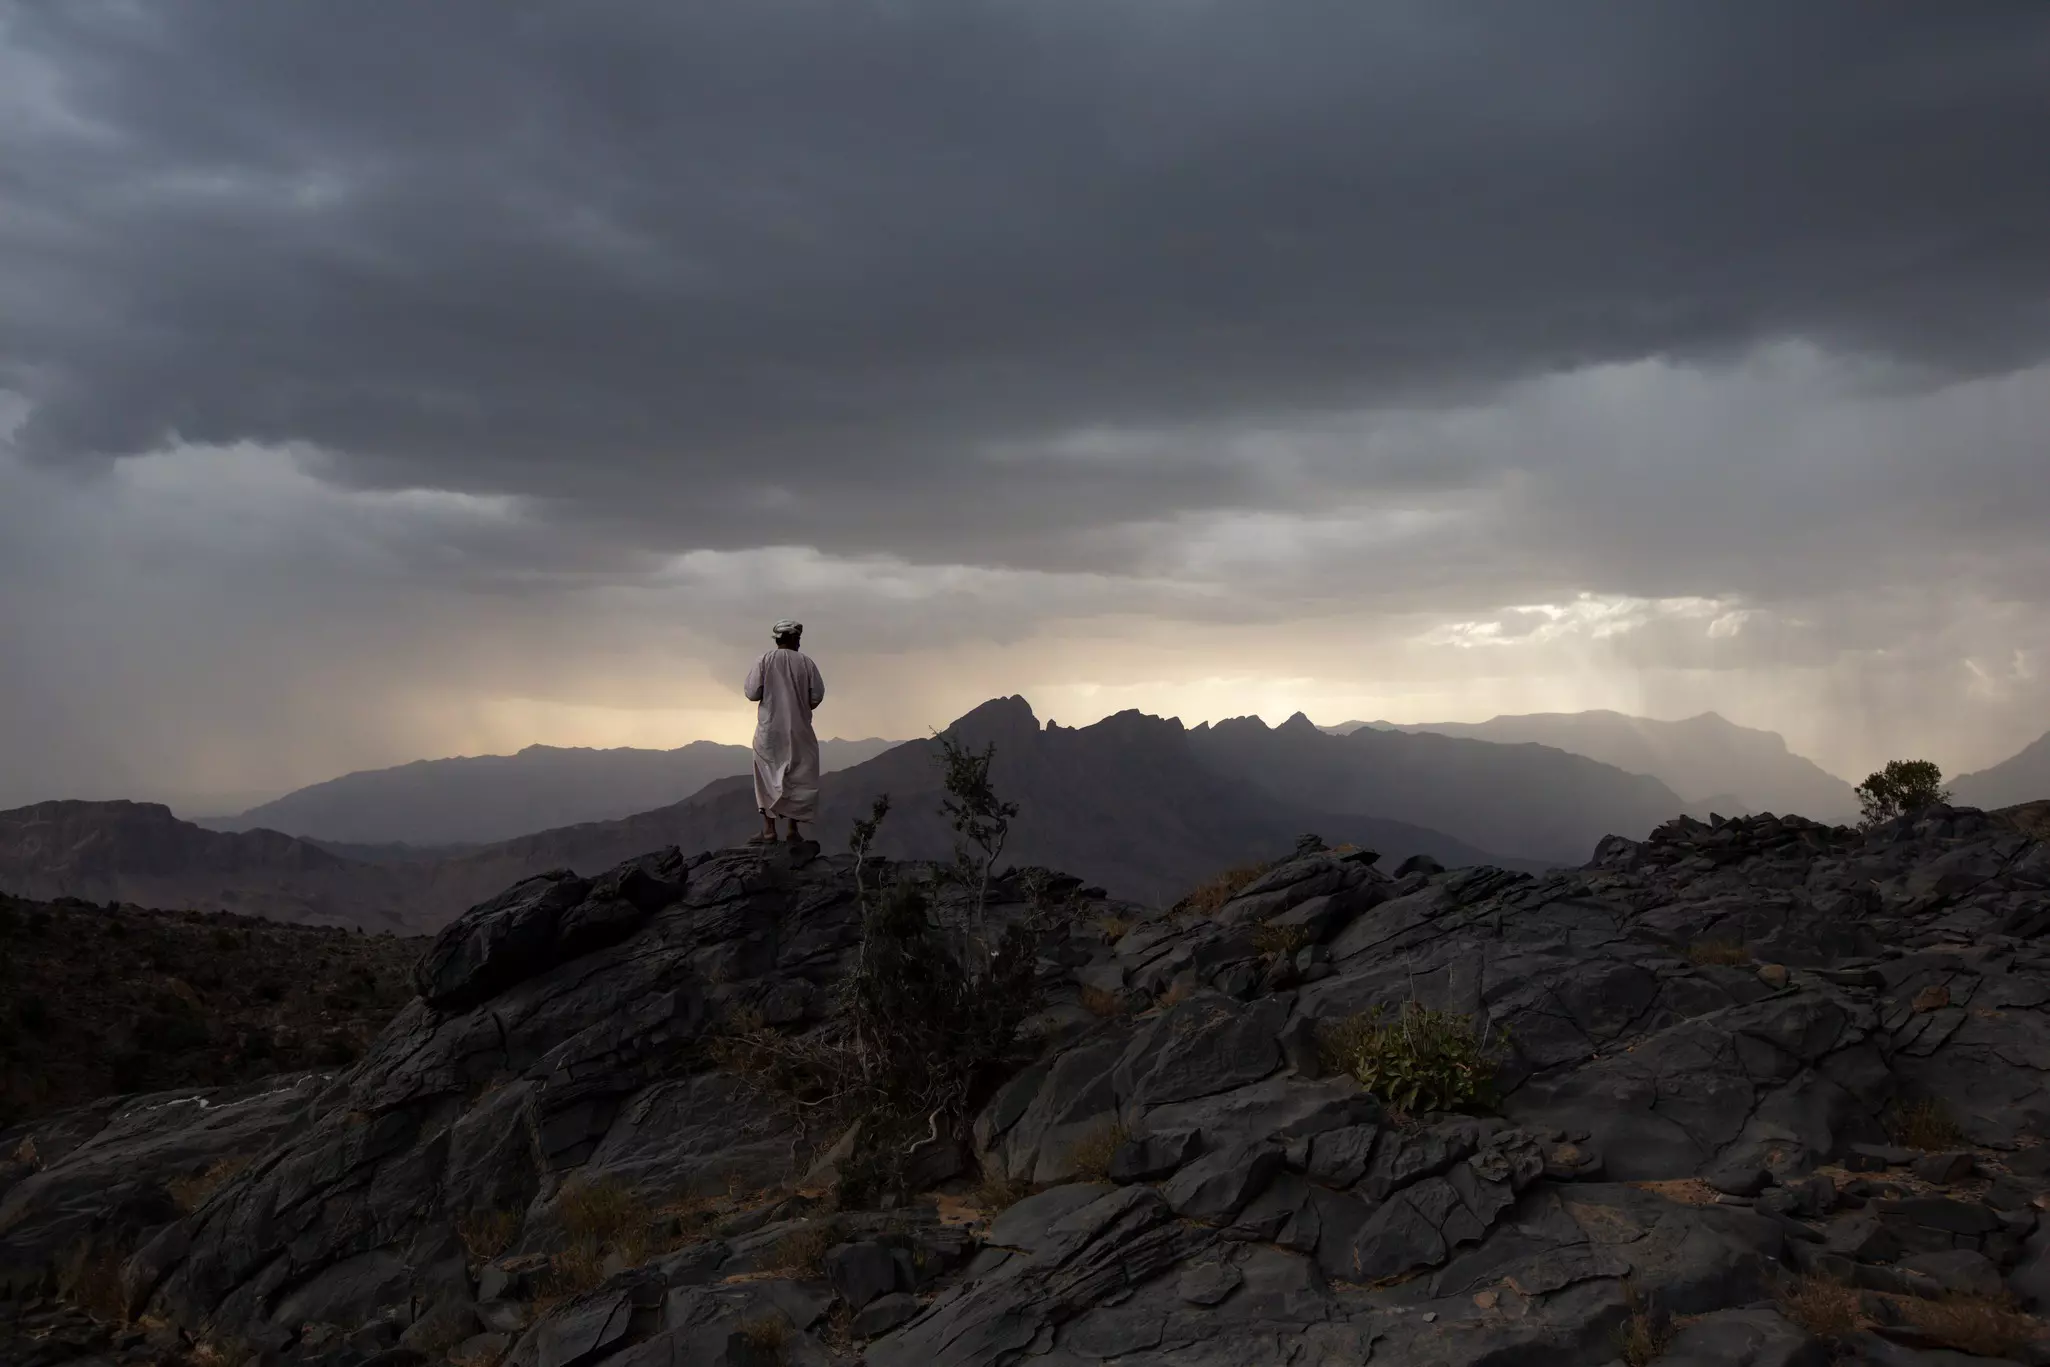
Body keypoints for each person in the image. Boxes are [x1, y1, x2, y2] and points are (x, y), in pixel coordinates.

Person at [744, 619, 826, 844]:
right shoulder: (806, 663)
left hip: (769, 731)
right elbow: (816, 696)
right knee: (797, 777)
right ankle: (792, 830)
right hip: (800, 730)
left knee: (767, 776)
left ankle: (769, 830)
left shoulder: (764, 660)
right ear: (794, 639)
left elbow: (752, 693)